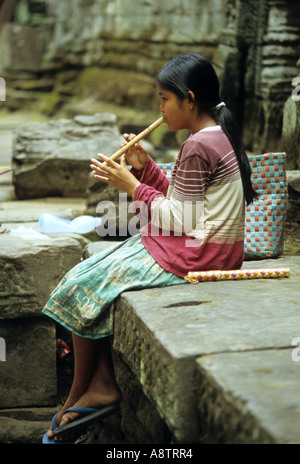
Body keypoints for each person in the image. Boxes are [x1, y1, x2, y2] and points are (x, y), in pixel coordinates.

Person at [42, 53, 257, 443]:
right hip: (205, 247)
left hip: (196, 255)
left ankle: (79, 394)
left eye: (163, 99)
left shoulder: (198, 145)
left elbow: (183, 219)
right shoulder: (212, 135)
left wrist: (130, 185)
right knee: (89, 275)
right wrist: (147, 169)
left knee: (80, 285)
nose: (159, 108)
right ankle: (100, 381)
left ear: (189, 100)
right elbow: (185, 203)